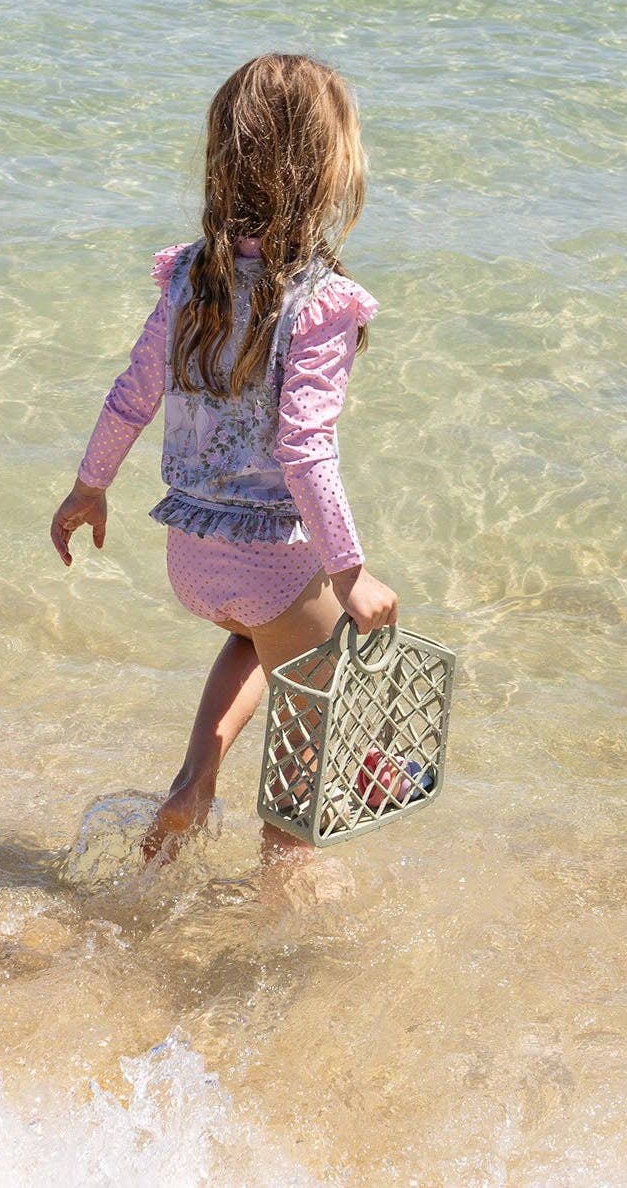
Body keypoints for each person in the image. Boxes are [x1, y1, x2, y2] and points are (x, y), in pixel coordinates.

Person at [49, 53, 398, 876]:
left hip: (193, 556)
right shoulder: (321, 304)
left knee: (254, 637)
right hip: (275, 560)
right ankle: (287, 905)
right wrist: (349, 573)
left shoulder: (187, 282)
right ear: (329, 170)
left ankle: (193, 781)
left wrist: (89, 488)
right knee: (305, 771)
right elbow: (304, 448)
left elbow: (131, 395)